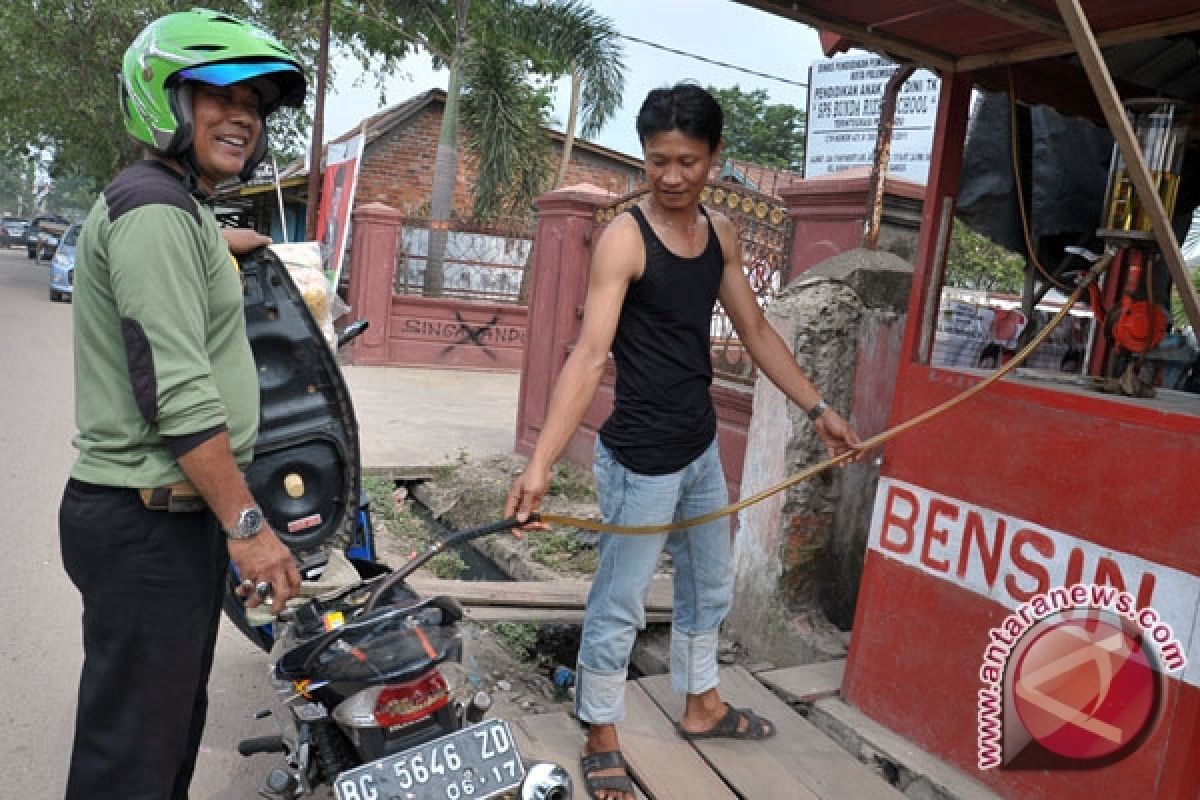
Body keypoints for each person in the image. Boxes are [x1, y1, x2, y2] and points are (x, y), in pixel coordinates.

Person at [505, 83, 862, 800]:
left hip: (698, 447)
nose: (671, 177)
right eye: (658, 160)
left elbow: (757, 330)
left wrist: (818, 407)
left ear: (714, 158)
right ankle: (601, 727)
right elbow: (587, 354)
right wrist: (540, 462)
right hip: (639, 458)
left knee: (710, 586)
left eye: (687, 162)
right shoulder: (624, 238)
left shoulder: (721, 235)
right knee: (621, 600)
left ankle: (701, 703)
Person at [58, 10, 307, 799]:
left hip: (166, 519)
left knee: (162, 737)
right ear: (163, 98)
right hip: (145, 525)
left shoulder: (179, 209)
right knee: (130, 761)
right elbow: (178, 392)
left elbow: (181, 253)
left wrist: (223, 241)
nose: (242, 117)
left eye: (257, 106)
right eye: (219, 95)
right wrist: (248, 527)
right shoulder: (158, 211)